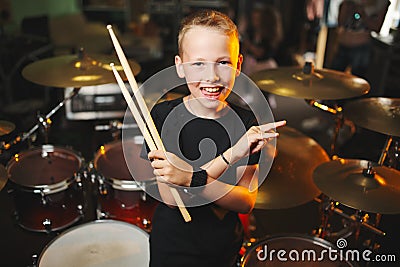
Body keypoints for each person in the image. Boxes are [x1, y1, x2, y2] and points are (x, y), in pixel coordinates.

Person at [143, 10, 286, 267]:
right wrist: (229, 156)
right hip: (173, 245)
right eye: (198, 63)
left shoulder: (246, 124)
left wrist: (189, 177)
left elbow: (245, 201)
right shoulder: (162, 117)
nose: (211, 76)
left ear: (238, 65)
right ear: (179, 67)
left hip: (223, 245)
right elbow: (171, 198)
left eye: (223, 63)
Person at [330, 0, 390, 78]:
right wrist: (348, 8)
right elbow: (341, 21)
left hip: (361, 46)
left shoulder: (380, 3)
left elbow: (377, 27)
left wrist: (363, 14)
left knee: (357, 82)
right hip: (343, 43)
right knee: (333, 78)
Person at [239, 5, 283, 75]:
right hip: (250, 65)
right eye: (253, 18)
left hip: (264, 67)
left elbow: (260, 53)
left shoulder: (269, 35)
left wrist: (249, 45)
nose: (254, 21)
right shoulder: (252, 32)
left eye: (257, 19)